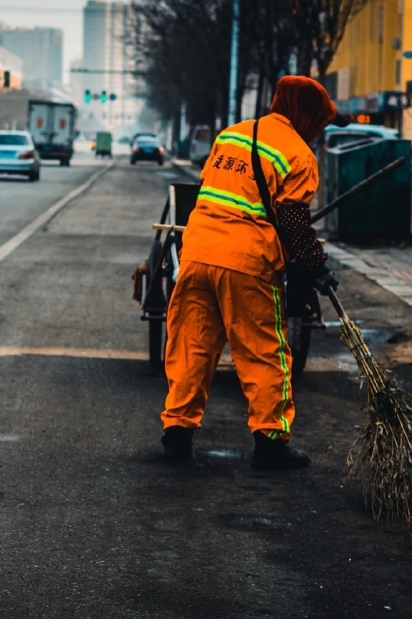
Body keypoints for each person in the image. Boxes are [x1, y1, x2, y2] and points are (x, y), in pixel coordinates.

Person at [159, 75, 349, 470]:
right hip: (246, 264)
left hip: (196, 253)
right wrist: (316, 266)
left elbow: (211, 189)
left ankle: (177, 430)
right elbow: (293, 220)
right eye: (320, 122)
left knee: (192, 344)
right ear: (305, 115)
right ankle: (270, 441)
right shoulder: (299, 155)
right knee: (263, 351)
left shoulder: (231, 135)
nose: (319, 132)